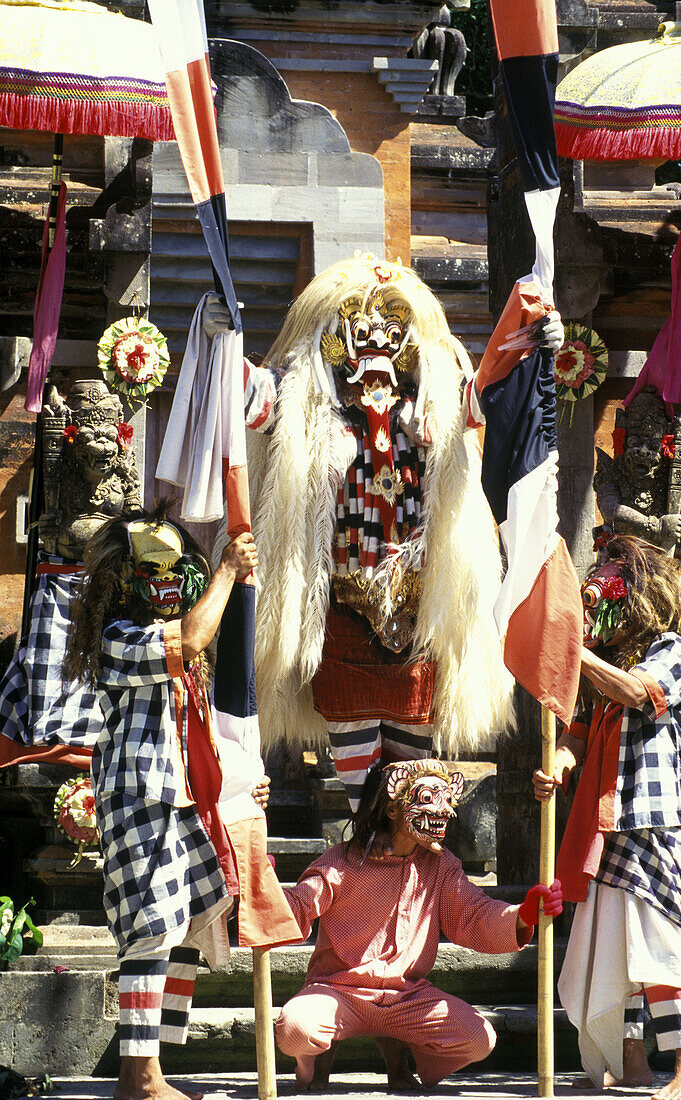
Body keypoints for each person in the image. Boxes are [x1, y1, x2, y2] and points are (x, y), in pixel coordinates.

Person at [201, 256, 564, 812]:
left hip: (415, 617)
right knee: (364, 799)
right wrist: (221, 338)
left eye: (391, 332)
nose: (376, 344)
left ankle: (406, 885)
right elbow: (248, 397)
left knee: (411, 791)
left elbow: (491, 390)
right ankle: (367, 881)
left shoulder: (436, 404)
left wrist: (535, 345)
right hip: (345, 610)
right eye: (361, 332)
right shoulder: (306, 408)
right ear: (335, 340)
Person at [62, 503, 266, 1100]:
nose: (166, 580)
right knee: (152, 929)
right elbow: (195, 635)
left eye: (176, 568)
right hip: (140, 798)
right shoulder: (118, 637)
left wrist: (240, 777)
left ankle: (146, 1073)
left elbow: (200, 726)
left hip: (182, 801)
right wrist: (228, 570)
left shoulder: (171, 645)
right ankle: (142, 1077)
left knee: (182, 929)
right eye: (151, 569)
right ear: (123, 581)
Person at [533, 534, 681, 1100]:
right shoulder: (611, 665)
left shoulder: (676, 652)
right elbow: (581, 733)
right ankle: (632, 1063)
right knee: (615, 945)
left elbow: (639, 692)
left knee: (661, 937)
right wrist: (559, 765)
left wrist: (574, 651)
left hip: (658, 817)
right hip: (609, 820)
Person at [275, 758, 563, 1092]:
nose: (444, 812)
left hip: (406, 998)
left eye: (447, 801)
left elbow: (472, 915)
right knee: (296, 1028)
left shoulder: (441, 866)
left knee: (477, 1038)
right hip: (338, 990)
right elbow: (299, 905)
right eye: (429, 799)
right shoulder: (340, 862)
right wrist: (265, 889)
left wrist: (524, 915)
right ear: (393, 810)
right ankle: (315, 1060)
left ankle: (400, 1055)